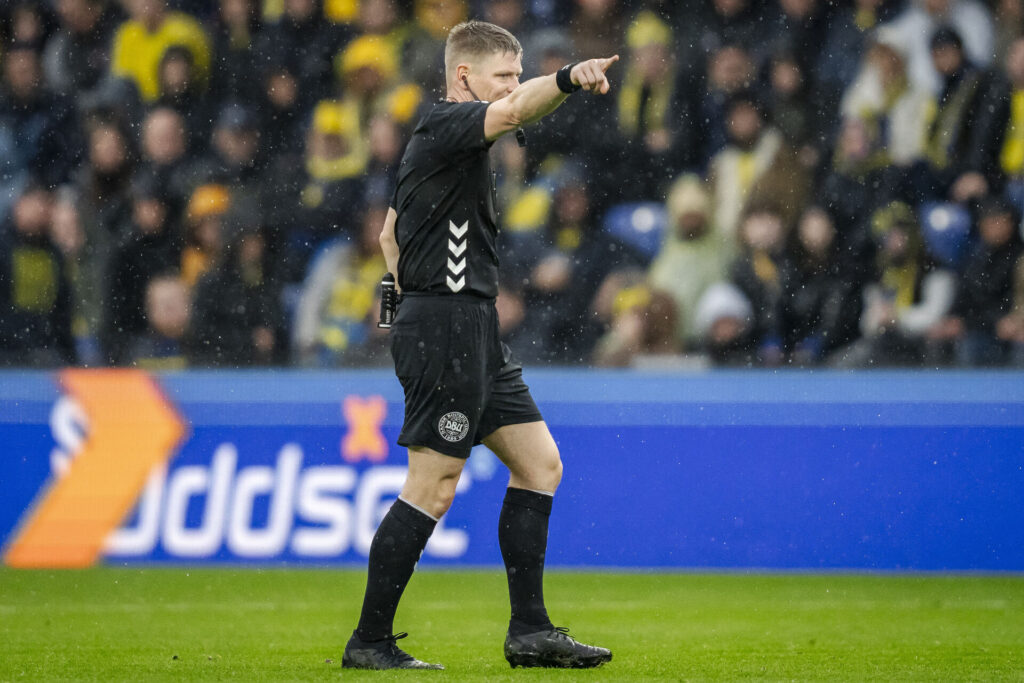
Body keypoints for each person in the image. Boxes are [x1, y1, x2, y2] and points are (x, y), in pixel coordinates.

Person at [343, 20, 615, 671]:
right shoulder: (447, 123)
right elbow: (520, 108)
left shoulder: (447, 147)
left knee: (539, 462)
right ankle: (369, 642)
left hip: (469, 327)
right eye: (502, 76)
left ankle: (529, 631)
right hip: (447, 330)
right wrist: (568, 78)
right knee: (433, 484)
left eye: (515, 76)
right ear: (464, 76)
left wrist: (407, 299)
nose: (512, 89)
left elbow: (388, 235)